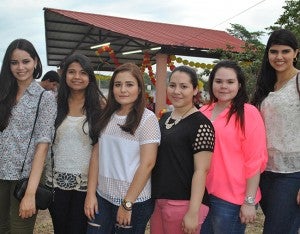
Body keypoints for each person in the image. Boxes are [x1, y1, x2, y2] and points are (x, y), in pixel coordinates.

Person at [84, 62, 160, 233]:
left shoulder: (147, 119)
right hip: (102, 197)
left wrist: (127, 204)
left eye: (129, 84)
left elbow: (148, 164)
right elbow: (96, 156)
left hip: (133, 201)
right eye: (118, 85)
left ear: (140, 89)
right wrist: (90, 194)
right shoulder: (107, 116)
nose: (123, 90)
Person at [200, 60, 268, 234]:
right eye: (219, 81)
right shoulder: (203, 112)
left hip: (232, 198)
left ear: (239, 85)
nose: (224, 86)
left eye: (230, 82)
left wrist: (249, 201)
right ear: (212, 83)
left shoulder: (248, 113)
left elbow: (255, 160)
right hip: (202, 194)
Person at [44, 53, 106, 234]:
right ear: (64, 75)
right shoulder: (53, 103)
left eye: (83, 72)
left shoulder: (100, 106)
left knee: (79, 229)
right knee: (61, 229)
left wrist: (92, 191)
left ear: (90, 77)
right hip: (55, 183)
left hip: (86, 183)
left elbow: (100, 148)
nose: (77, 77)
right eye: (72, 72)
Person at [0, 38, 57, 234]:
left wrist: (31, 193)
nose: (20, 67)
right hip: (0, 174)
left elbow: (42, 146)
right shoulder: (3, 94)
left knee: (19, 231)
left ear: (36, 62)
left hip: (24, 178)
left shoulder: (45, 98)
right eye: (14, 62)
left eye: (26, 61)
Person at [150, 65, 215, 234]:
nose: (176, 91)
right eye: (172, 85)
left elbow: (202, 170)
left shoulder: (202, 124)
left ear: (195, 90)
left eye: (184, 86)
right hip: (160, 199)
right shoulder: (164, 118)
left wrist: (193, 212)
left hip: (184, 203)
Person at [251, 29, 300, 234]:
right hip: (265, 173)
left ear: (296, 53)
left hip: (292, 174)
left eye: (285, 51)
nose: (279, 57)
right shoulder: (266, 85)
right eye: (274, 51)